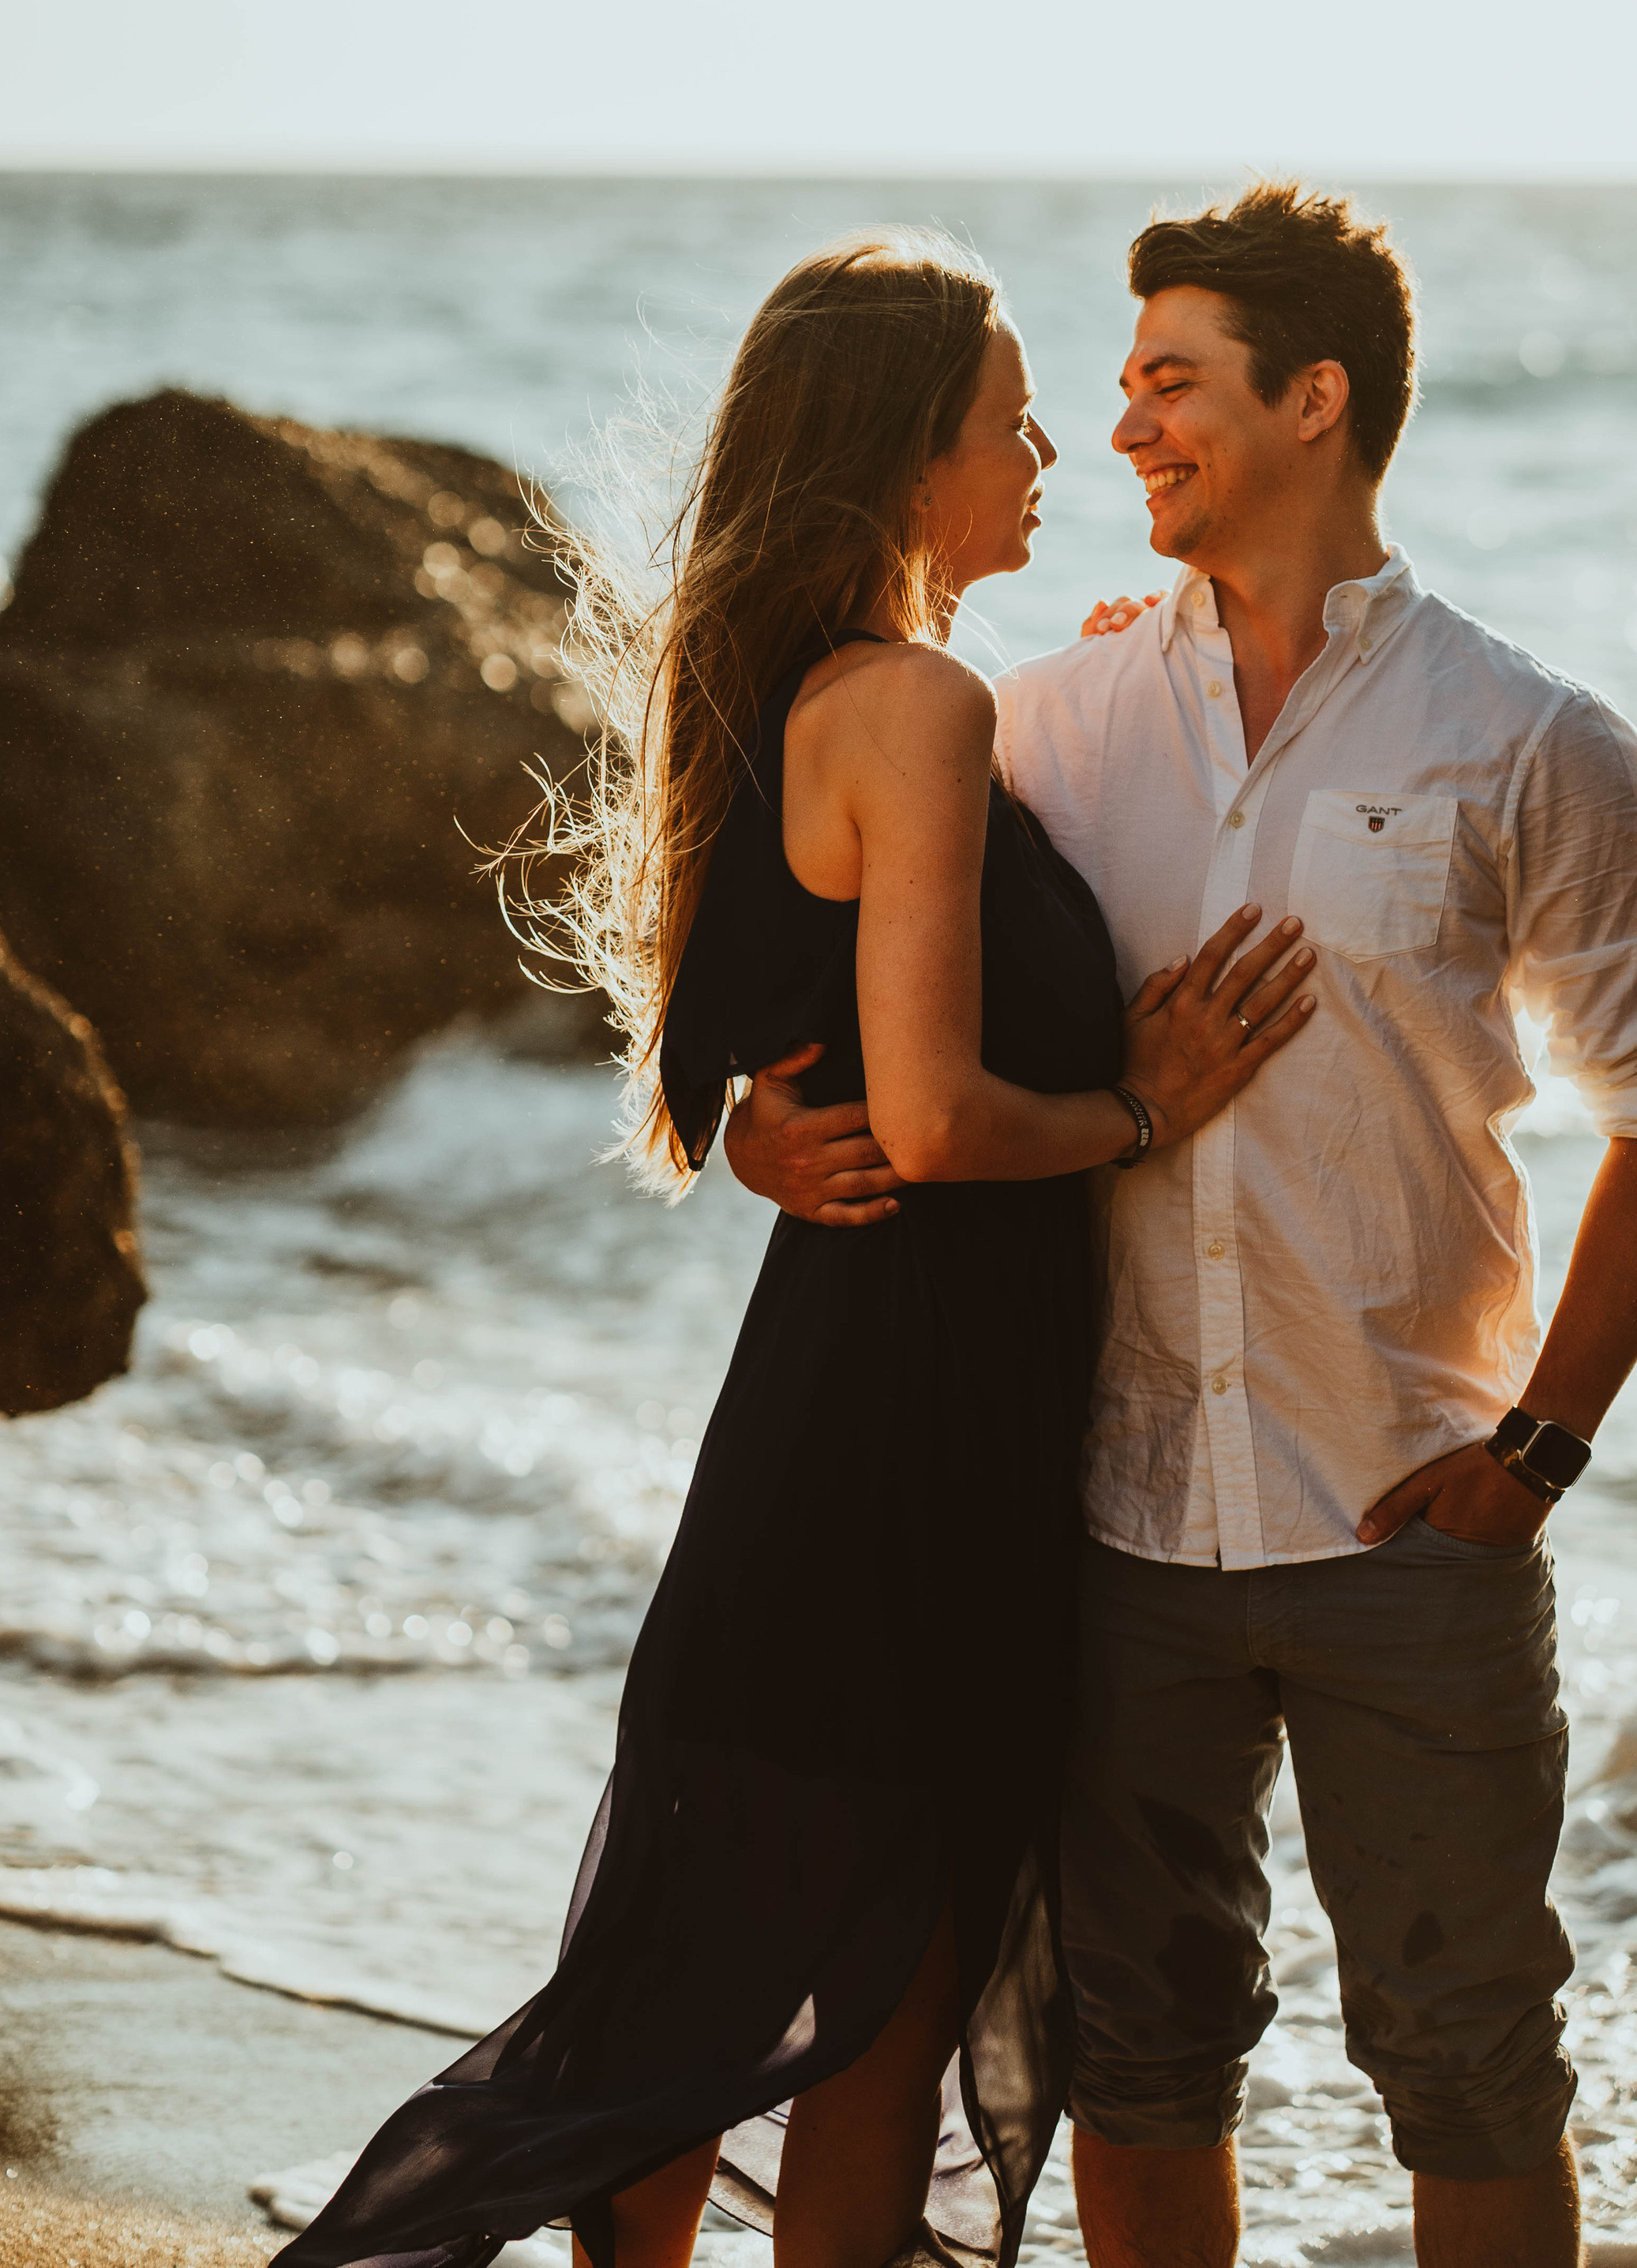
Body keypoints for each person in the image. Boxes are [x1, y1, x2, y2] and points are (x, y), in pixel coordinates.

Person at [270, 234, 1320, 2268]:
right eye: (1011, 419)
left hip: (865, 1410)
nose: (1048, 453)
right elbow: (930, 1120)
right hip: (902, 1443)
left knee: (726, 1987)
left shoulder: (819, 700)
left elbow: (820, 1049)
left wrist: (1128, 688)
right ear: (904, 452)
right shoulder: (913, 705)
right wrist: (1144, 1104)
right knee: (860, 2012)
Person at [727, 182, 1637, 2268]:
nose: (1125, 430)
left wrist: (1536, 1451)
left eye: (1171, 384)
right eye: (1117, 388)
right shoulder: (1044, 722)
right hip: (1109, 1530)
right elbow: (867, 979)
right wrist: (761, 1122)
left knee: (1470, 2063)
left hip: (1408, 1525)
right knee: (1139, 2059)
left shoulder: (1532, 742)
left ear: (1317, 400)